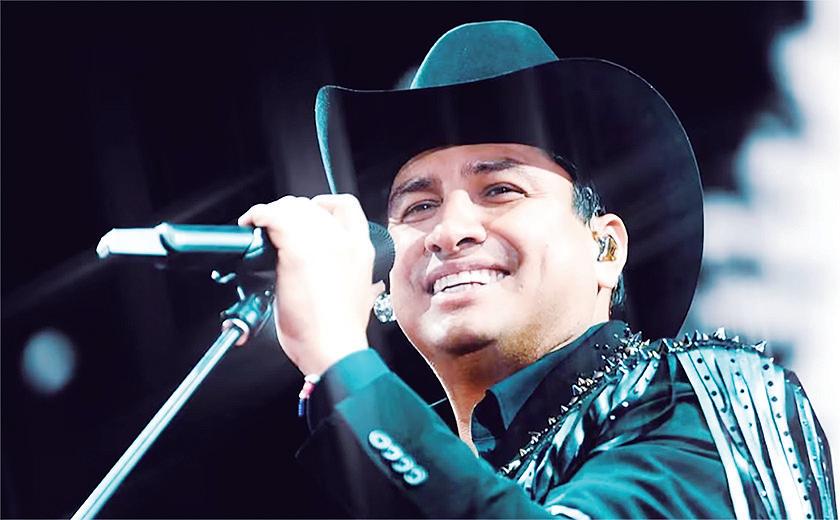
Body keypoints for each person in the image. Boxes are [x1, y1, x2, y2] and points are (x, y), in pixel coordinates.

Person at [238, 21, 835, 518]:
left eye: (500, 190)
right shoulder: (379, 480)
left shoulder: (699, 404)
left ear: (605, 250)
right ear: (383, 282)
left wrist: (343, 363)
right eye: (419, 207)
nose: (449, 230)